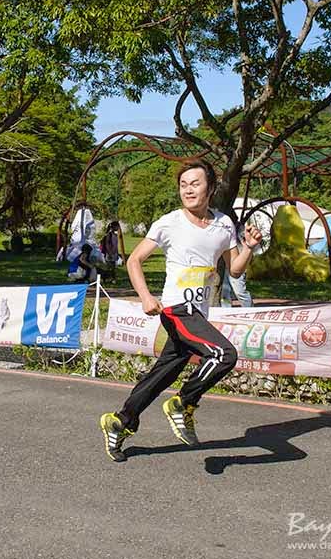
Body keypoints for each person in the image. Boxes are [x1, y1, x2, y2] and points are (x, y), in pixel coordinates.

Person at [99, 160, 262, 462]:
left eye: (195, 183)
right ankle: (183, 403)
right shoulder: (169, 222)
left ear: (211, 187)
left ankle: (120, 422)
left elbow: (235, 270)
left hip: (198, 312)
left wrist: (249, 247)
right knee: (224, 354)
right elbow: (134, 260)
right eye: (183, 185)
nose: (188, 189)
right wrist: (146, 297)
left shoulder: (224, 224)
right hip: (176, 309)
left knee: (162, 374)